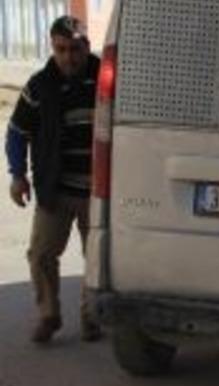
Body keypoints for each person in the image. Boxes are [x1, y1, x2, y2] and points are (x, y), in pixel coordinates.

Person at [5, 16, 102, 344]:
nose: (68, 57)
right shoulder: (39, 85)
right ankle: (49, 314)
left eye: (75, 49)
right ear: (53, 47)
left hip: (99, 193)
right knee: (41, 254)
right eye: (61, 49)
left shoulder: (104, 78)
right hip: (55, 190)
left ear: (86, 46)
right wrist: (18, 176)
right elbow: (17, 133)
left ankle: (93, 318)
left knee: (99, 257)